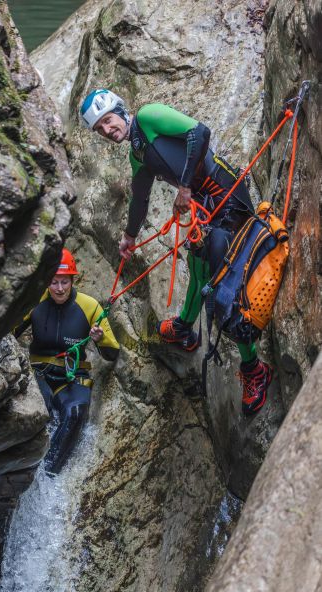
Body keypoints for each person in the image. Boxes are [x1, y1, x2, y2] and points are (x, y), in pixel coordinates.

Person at [80, 89, 272, 415]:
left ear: (120, 111)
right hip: (205, 202)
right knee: (197, 265)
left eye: (108, 121)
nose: (108, 131)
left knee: (223, 284)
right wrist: (128, 236)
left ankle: (254, 368)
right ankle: (185, 329)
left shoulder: (148, 116)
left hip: (225, 193)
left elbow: (200, 133)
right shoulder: (137, 154)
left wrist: (184, 186)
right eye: (100, 129)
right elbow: (140, 199)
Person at [13, 248, 119, 472]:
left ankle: (48, 472)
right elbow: (9, 331)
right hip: (40, 372)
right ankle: (30, 469)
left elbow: (112, 354)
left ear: (73, 279)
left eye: (64, 282)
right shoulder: (35, 301)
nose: (59, 289)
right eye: (53, 282)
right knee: (42, 414)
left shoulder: (90, 307)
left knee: (76, 414)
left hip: (73, 376)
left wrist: (100, 340)